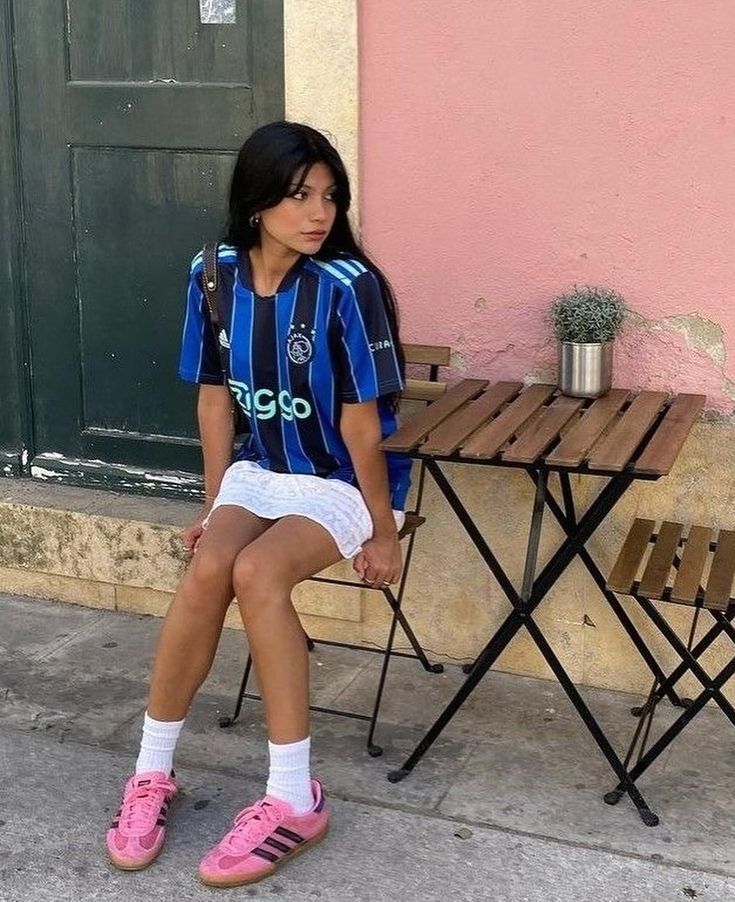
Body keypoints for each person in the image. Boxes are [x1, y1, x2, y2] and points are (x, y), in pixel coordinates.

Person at [105, 121, 410, 888]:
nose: (319, 212)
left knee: (258, 575)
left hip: (341, 480)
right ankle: (151, 773)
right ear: (255, 201)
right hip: (261, 469)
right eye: (299, 194)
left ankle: (292, 796)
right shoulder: (212, 276)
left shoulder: (346, 286)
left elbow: (360, 424)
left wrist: (382, 531)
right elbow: (214, 400)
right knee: (212, 564)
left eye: (330, 196)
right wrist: (215, 503)